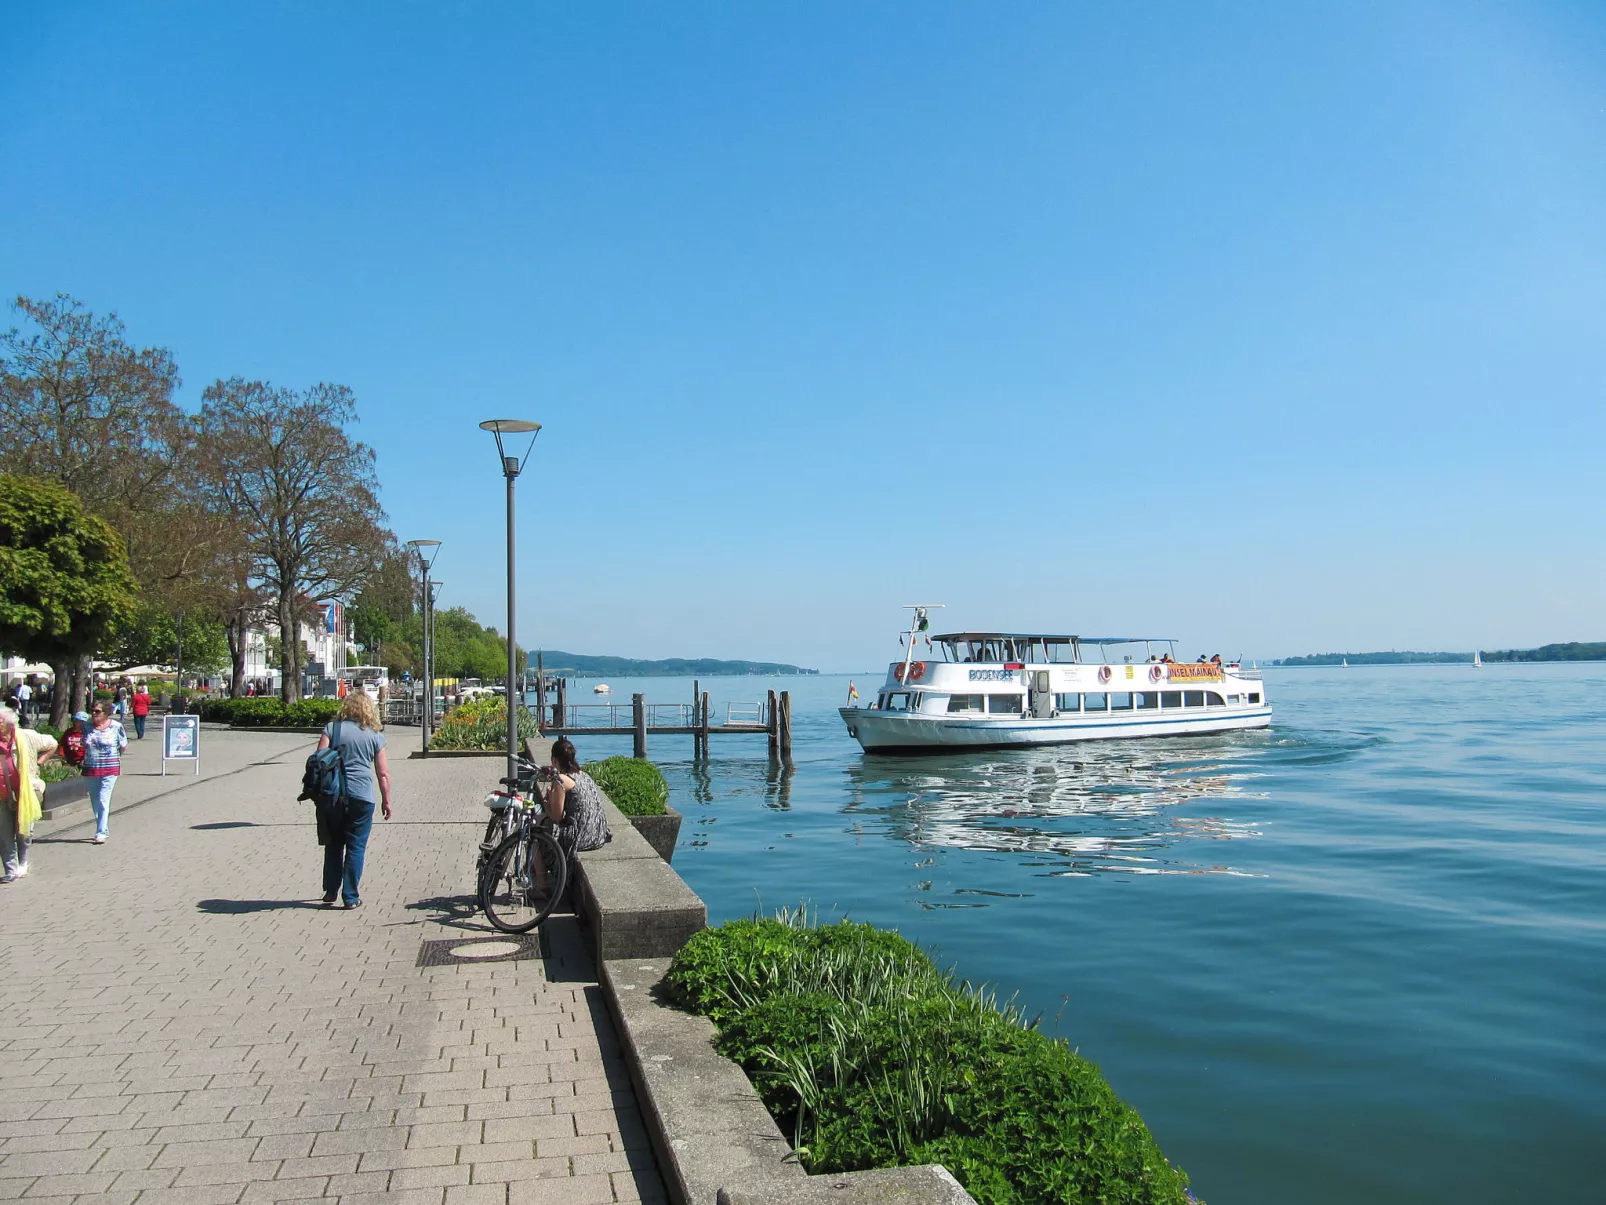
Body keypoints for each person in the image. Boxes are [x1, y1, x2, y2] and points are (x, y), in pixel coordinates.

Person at [314, 691, 392, 909]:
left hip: (333, 795)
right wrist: (387, 801)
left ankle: (330, 892)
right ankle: (350, 897)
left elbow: (318, 760)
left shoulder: (332, 729)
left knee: (334, 844)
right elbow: (383, 773)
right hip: (362, 797)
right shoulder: (375, 735)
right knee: (356, 846)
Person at [0, 705, 57, 882]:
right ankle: (10, 870)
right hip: (2, 794)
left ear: (9, 724)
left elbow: (52, 743)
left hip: (26, 792)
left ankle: (23, 862)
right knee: (4, 833)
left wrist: (40, 761)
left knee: (23, 832)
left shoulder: (27, 737)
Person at [540, 737, 612, 856]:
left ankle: (538, 874)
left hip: (581, 837)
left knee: (533, 828)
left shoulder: (560, 779)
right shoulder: (583, 775)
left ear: (554, 760)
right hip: (598, 833)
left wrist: (547, 803)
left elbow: (556, 817)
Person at [82, 702, 128, 844]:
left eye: (97, 711)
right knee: (95, 800)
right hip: (91, 767)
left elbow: (123, 746)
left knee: (103, 798)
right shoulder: (87, 727)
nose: (94, 714)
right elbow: (84, 744)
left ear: (106, 713)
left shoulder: (116, 726)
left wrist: (114, 756)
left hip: (110, 768)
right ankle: (103, 827)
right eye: (92, 711)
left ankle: (101, 832)